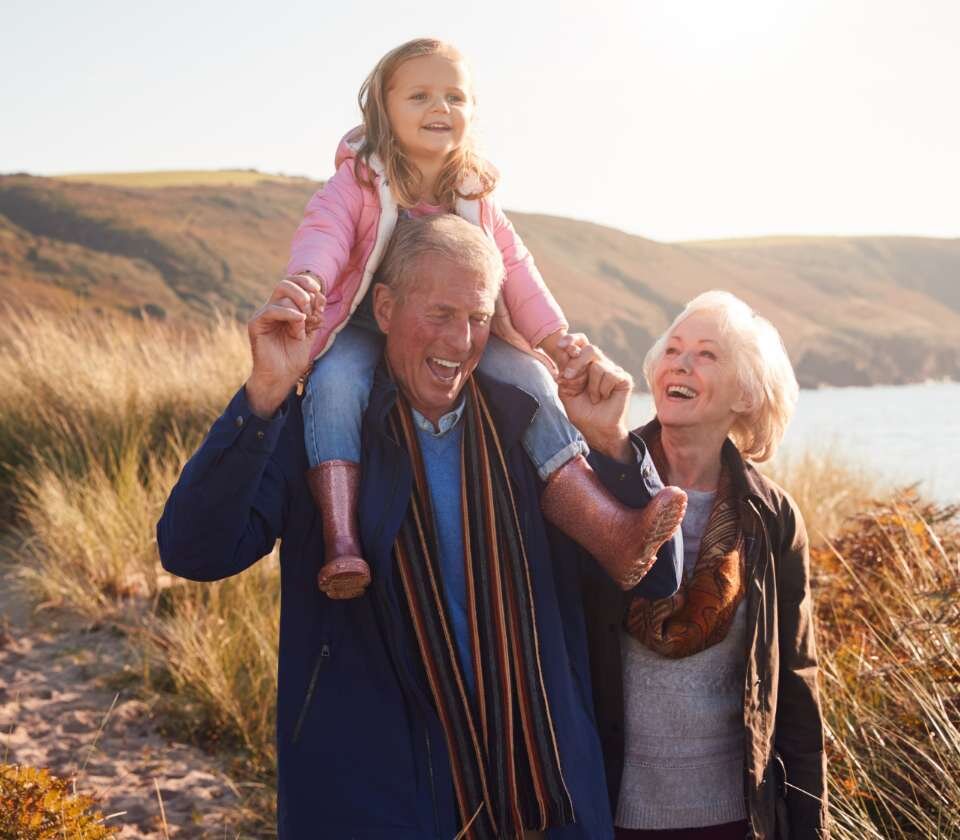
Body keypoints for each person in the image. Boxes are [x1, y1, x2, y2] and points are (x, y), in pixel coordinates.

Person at [157, 214, 683, 839]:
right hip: (374, 805)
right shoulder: (320, 433)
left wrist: (613, 445)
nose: (461, 340)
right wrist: (264, 393)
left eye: (479, 317)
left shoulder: (535, 429)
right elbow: (194, 550)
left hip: (549, 800)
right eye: (440, 313)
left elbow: (655, 582)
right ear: (383, 308)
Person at [284, 37, 685, 598]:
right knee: (335, 383)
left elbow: (515, 267)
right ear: (383, 108)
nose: (439, 108)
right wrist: (309, 281)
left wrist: (554, 337)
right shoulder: (359, 181)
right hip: (364, 323)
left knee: (532, 377)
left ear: (473, 111)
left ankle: (608, 529)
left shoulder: (475, 194)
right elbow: (324, 234)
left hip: (462, 326)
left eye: (455, 97)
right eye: (419, 96)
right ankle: (342, 540)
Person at [569, 291, 828, 840]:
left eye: (707, 354)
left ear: (745, 393)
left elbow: (797, 685)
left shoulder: (772, 517)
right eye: (673, 350)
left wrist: (810, 825)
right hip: (604, 814)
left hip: (735, 819)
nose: (681, 364)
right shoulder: (595, 484)